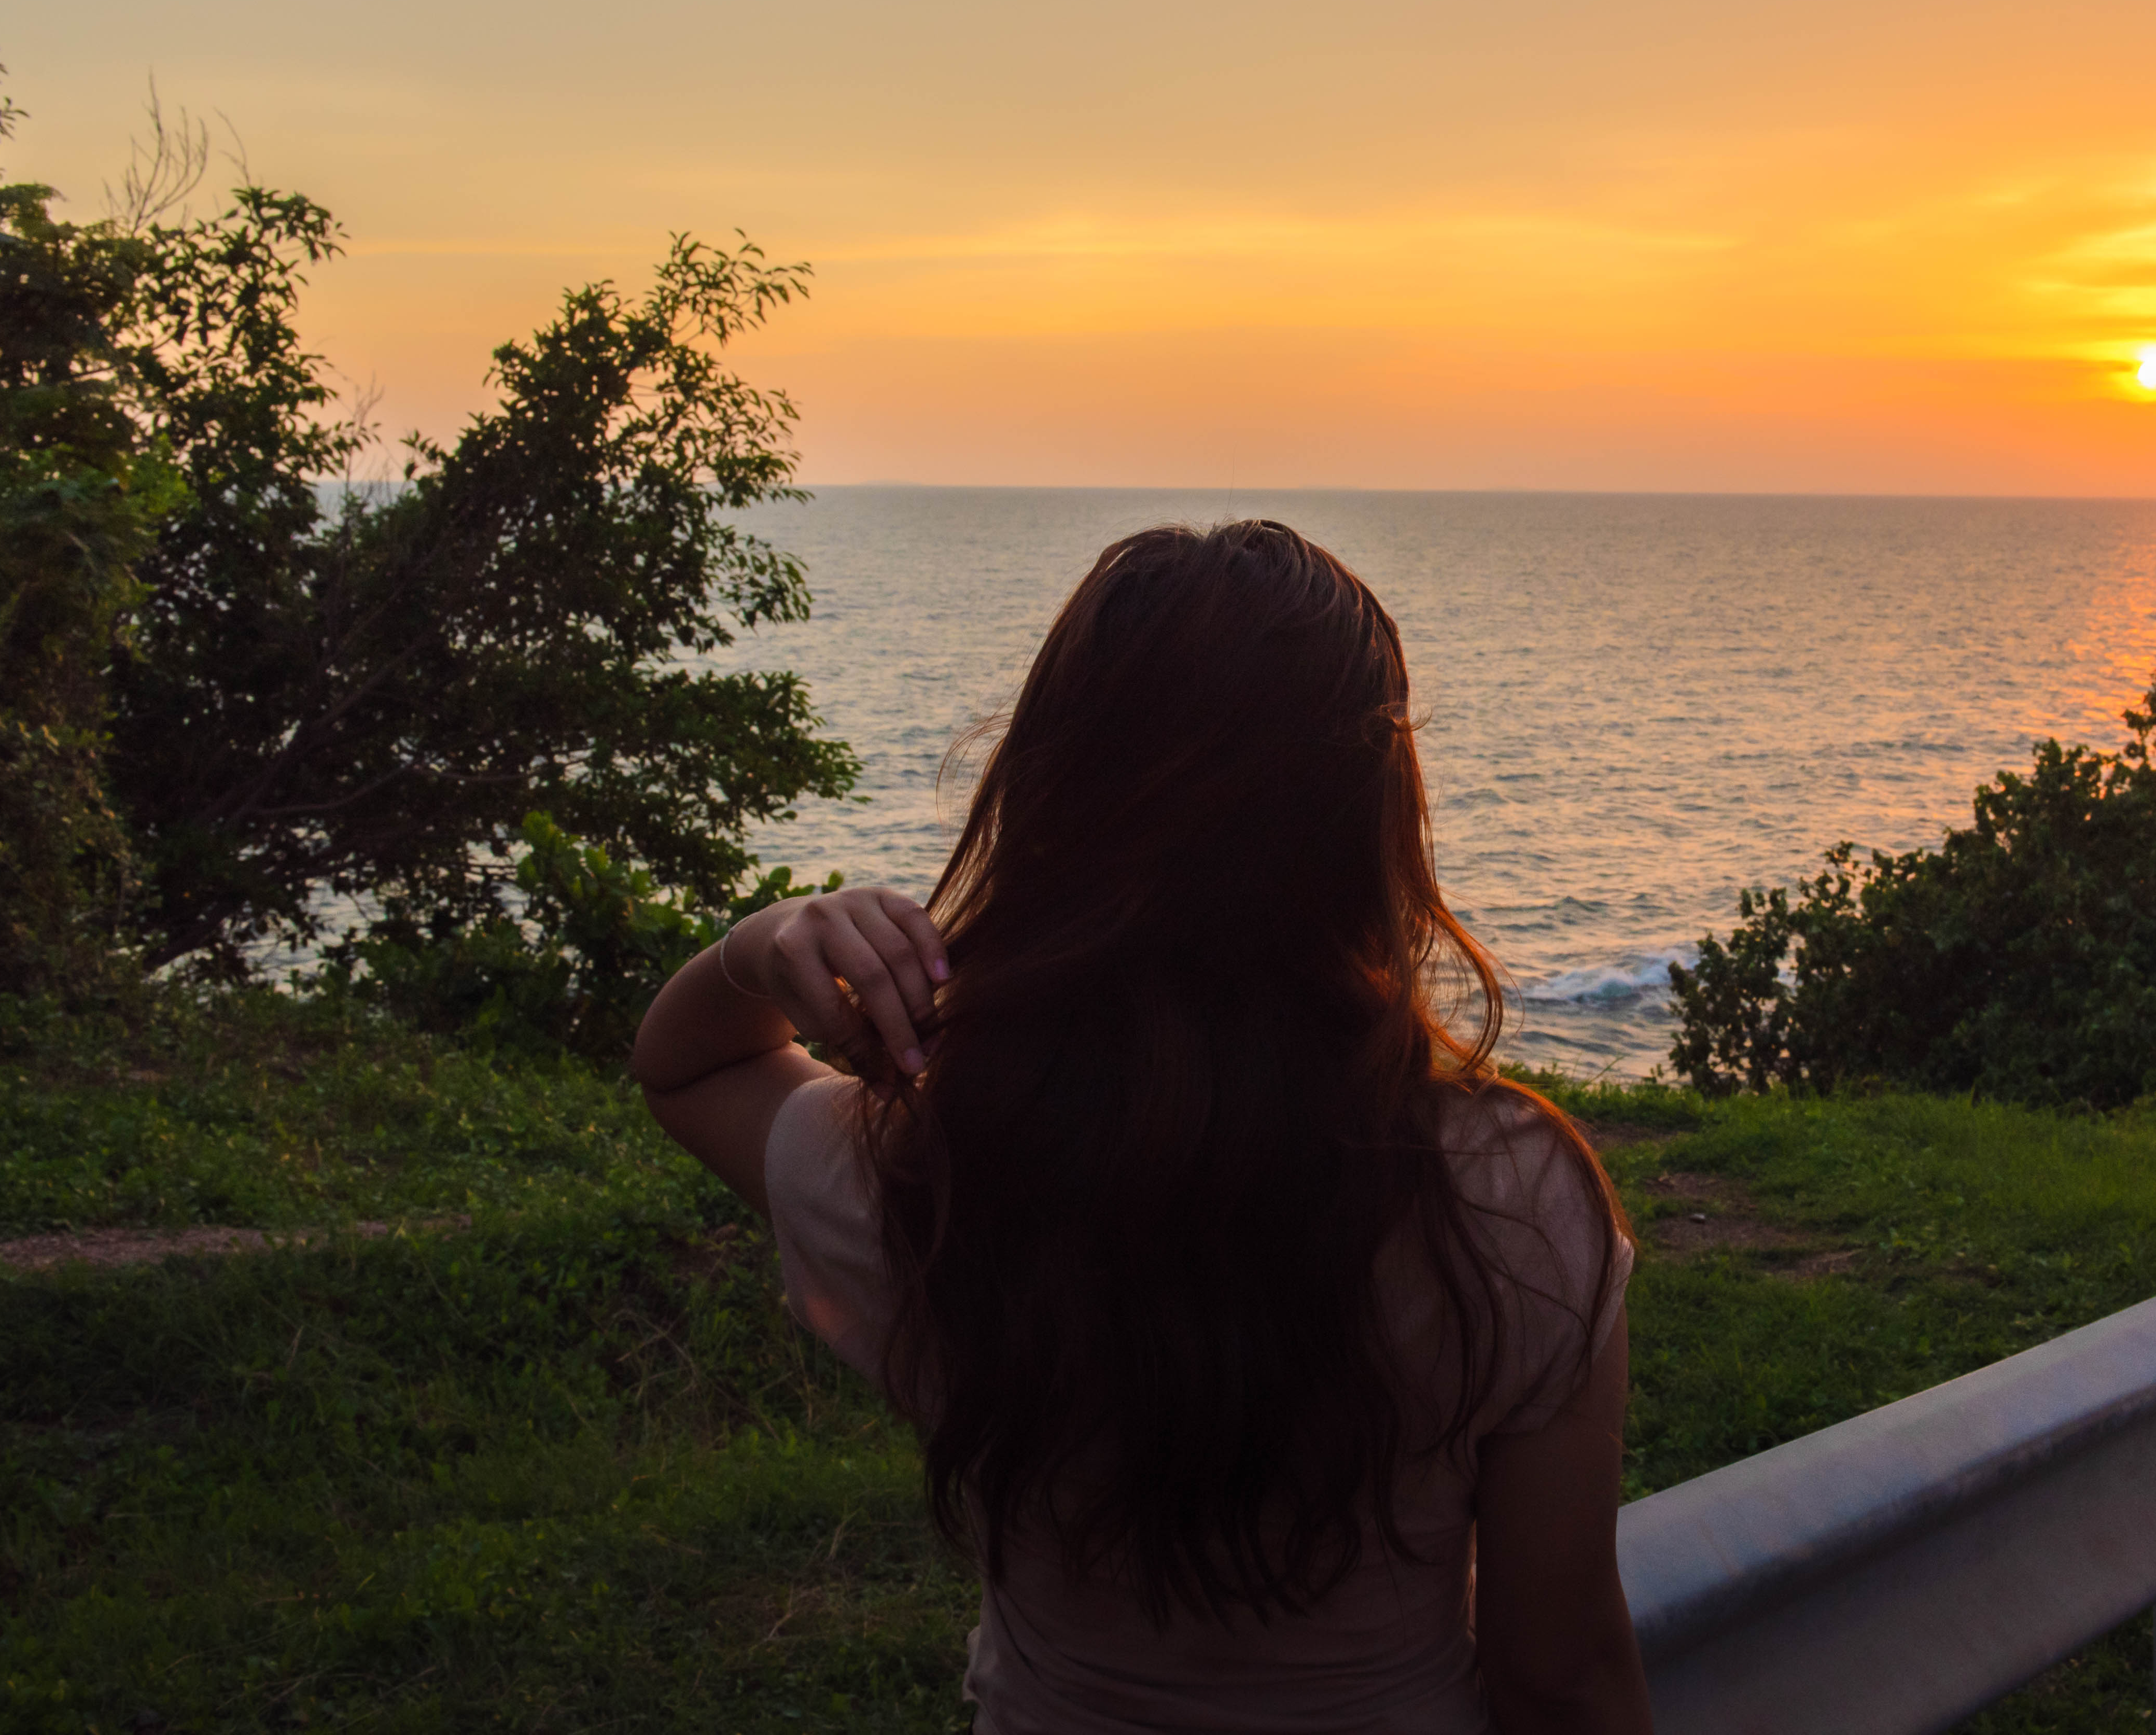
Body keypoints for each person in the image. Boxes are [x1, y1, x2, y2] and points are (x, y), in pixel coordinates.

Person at [633, 520, 1652, 1734]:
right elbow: (1560, 1670)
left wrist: (765, 941)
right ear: (1372, 817)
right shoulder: (1508, 1198)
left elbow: (686, 1071)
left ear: (1049, 790)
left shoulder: (925, 1167)